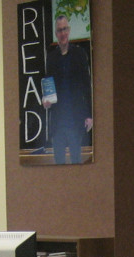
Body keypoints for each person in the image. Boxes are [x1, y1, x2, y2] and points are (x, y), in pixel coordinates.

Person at [44, 14, 93, 165]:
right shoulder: (51, 59)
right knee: (58, 164)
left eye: (65, 29)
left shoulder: (79, 54)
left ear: (69, 30)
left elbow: (86, 86)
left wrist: (89, 115)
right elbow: (48, 86)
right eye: (59, 30)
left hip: (75, 120)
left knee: (76, 162)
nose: (62, 33)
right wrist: (46, 101)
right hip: (58, 122)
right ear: (56, 34)